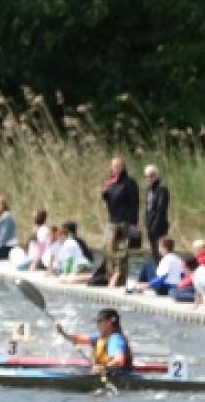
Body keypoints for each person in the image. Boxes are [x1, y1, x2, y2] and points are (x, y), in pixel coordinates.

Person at [99, 157, 139, 287]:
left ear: (123, 168)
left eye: (117, 167)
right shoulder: (111, 182)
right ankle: (110, 274)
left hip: (124, 221)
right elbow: (108, 199)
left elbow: (134, 202)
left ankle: (119, 277)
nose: (115, 169)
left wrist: (133, 222)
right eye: (113, 166)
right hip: (112, 220)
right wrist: (104, 193)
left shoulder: (129, 182)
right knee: (106, 248)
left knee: (120, 251)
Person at [54, 309, 133, 373]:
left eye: (99, 321)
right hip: (104, 371)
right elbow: (78, 339)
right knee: (73, 370)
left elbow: (119, 361)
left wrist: (104, 368)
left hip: (115, 374)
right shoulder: (100, 336)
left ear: (108, 323)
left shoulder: (115, 339)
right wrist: (62, 332)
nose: (97, 324)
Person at [143, 165, 170, 266]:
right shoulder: (149, 190)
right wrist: (147, 222)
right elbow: (148, 208)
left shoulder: (162, 189)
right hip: (150, 224)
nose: (149, 178)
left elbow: (161, 209)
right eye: (147, 176)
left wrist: (155, 225)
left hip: (159, 225)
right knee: (154, 251)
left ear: (156, 175)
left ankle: (163, 270)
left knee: (161, 250)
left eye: (151, 175)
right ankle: (157, 270)